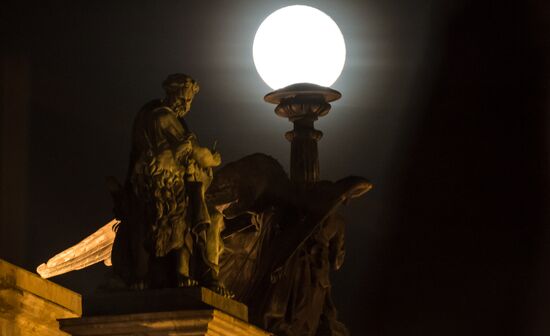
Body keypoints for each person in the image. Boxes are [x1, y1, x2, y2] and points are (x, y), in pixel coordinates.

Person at [111, 73, 228, 295]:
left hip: (152, 183)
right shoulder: (163, 118)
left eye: (189, 101)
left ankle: (170, 272)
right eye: (183, 99)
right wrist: (214, 158)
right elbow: (197, 154)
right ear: (170, 94)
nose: (186, 105)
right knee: (204, 219)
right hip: (163, 185)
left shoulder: (149, 114)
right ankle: (206, 273)